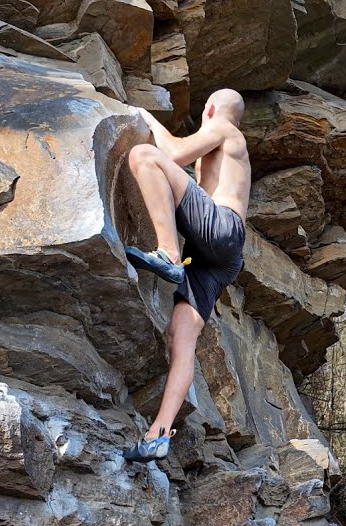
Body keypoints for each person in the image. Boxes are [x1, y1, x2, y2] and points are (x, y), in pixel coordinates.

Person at [121, 89, 250, 462]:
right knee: (181, 336)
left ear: (209, 109)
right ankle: (158, 433)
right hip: (220, 255)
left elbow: (173, 153)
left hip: (220, 230)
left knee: (144, 156)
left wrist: (145, 117)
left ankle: (168, 253)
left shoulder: (225, 128)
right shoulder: (228, 148)